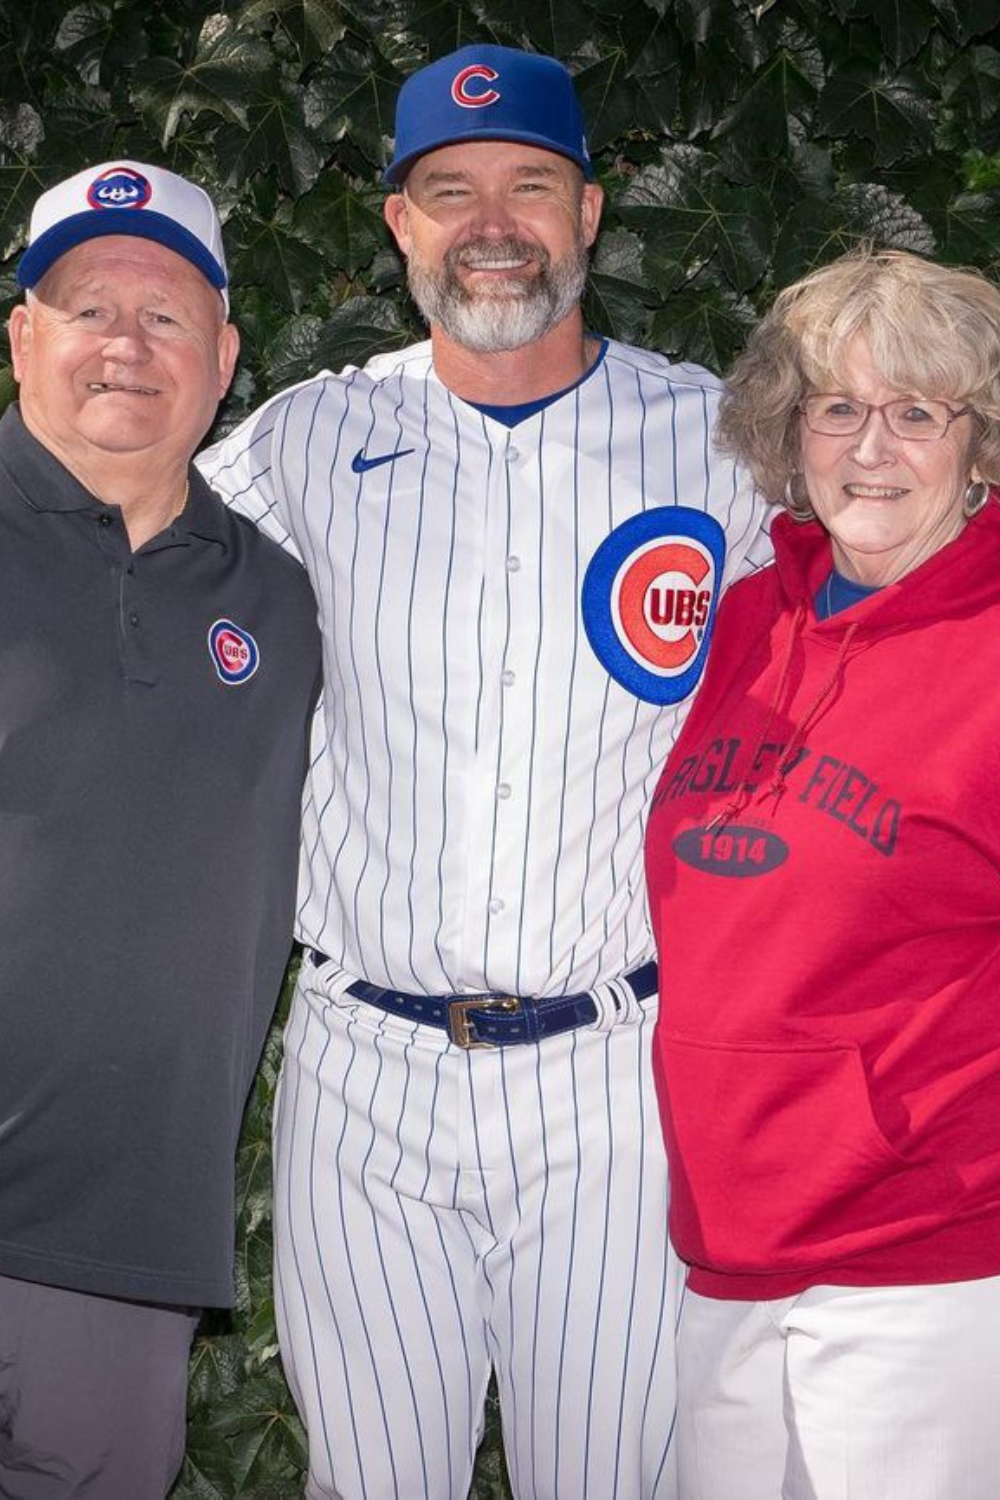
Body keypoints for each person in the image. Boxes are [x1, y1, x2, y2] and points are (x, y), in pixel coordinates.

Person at [199, 43, 770, 1500]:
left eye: (530, 184)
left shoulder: (717, 444)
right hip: (364, 1075)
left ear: (593, 210)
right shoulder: (309, 438)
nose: (492, 223)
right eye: (448, 191)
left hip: (615, 1078)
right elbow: (112, 575)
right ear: (398, 225)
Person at [644, 246, 1000, 1500]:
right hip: (725, 1250)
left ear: (979, 440)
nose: (870, 448)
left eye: (915, 413)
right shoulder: (750, 620)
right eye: (836, 408)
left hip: (926, 1268)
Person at [0, 161, 320, 1499]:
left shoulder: (285, 599)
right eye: (86, 307)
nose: (127, 343)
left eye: (167, 315)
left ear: (226, 355)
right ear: (22, 333)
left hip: (119, 1244)